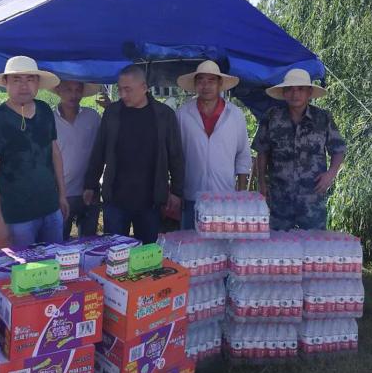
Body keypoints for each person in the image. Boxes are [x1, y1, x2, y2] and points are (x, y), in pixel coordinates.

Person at [83, 64, 184, 244]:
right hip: (115, 199)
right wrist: (90, 184)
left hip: (150, 201)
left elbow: (175, 155)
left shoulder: (164, 115)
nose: (122, 95)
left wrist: (177, 191)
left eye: (128, 90)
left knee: (147, 254)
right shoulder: (112, 113)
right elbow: (99, 150)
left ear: (144, 87)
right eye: (120, 89)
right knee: (115, 252)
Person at [0, 56, 70, 248]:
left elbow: (55, 153)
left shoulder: (45, 110)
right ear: (5, 82)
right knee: (25, 265)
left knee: (55, 261)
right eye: (16, 79)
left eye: (30, 79)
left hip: (50, 208)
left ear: (37, 83)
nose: (24, 86)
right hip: (17, 217)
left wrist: (62, 194)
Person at [251, 68, 346, 231]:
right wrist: (261, 183)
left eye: (301, 89)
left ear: (309, 92)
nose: (295, 94)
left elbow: (339, 149)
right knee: (278, 245)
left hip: (312, 200)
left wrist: (330, 174)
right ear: (284, 93)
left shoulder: (323, 118)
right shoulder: (272, 117)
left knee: (314, 245)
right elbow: (262, 151)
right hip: (279, 200)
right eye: (290, 89)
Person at [175, 61, 251, 230]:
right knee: (191, 242)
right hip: (192, 196)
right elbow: (175, 155)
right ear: (195, 84)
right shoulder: (183, 114)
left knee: (222, 243)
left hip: (224, 196)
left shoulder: (235, 115)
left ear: (220, 84)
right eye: (201, 80)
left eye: (211, 81)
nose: (206, 86)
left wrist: (240, 194)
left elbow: (243, 155)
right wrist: (176, 191)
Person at [52, 80, 103, 240]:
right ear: (58, 90)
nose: (73, 95)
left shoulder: (93, 117)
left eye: (78, 90)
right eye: (68, 89)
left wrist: (111, 109)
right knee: (59, 242)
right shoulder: (50, 120)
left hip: (89, 190)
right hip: (61, 193)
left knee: (89, 241)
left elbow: (102, 149)